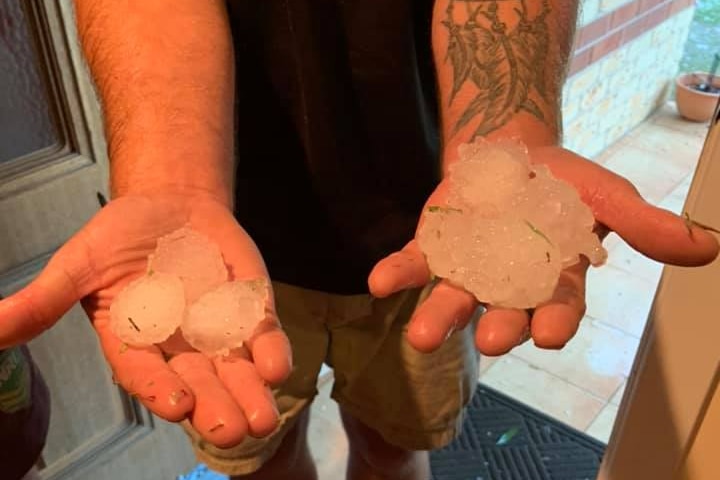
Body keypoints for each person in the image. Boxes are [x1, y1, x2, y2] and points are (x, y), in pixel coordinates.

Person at [0, 1, 717, 479]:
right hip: (231, 247)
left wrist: (507, 131)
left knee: (391, 447)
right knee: (262, 457)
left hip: (430, 238)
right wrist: (171, 175)